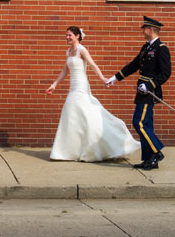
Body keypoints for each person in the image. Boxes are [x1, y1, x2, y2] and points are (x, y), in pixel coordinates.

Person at [47, 26, 140, 162]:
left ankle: (104, 143)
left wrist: (103, 78)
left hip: (81, 86)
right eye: (66, 35)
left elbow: (93, 65)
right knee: (72, 115)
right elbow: (65, 71)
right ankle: (71, 151)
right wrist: (54, 84)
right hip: (73, 87)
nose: (67, 37)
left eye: (70, 35)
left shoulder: (81, 50)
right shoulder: (69, 51)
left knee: (84, 114)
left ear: (77, 36)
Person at [105, 16, 171, 170]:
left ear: (151, 29)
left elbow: (166, 73)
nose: (142, 31)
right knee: (146, 124)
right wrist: (115, 78)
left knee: (139, 123)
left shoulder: (161, 48)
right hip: (142, 91)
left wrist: (149, 85)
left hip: (150, 92)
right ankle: (150, 160)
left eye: (144, 28)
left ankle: (156, 151)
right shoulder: (146, 47)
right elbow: (134, 65)